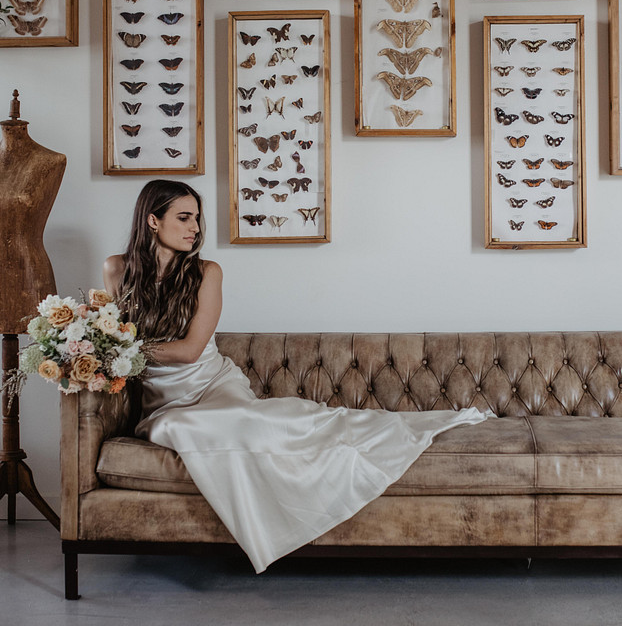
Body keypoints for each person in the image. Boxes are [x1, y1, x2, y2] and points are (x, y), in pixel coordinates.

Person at [103, 180, 490, 573]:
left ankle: (344, 432)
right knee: (185, 428)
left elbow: (187, 351)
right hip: (165, 401)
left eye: (197, 219)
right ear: (152, 220)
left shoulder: (207, 272)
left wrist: (121, 351)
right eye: (184, 218)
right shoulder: (116, 269)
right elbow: (115, 332)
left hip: (211, 385)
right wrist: (104, 350)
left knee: (250, 424)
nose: (196, 229)